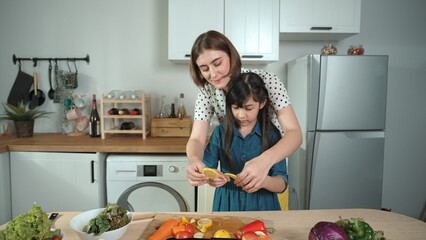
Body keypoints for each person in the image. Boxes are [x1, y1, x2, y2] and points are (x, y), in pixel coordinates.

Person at [186, 30, 302, 193]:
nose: (213, 74)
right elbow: (197, 139)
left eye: (218, 63)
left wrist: (264, 161)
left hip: (271, 164)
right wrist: (194, 160)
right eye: (204, 69)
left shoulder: (268, 81)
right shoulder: (207, 93)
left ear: (231, 56)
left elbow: (294, 133)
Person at [203, 72, 288, 211]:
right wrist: (212, 179)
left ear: (262, 103)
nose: (241, 115)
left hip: (263, 206)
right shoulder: (220, 132)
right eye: (236, 108)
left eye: (249, 108)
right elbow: (207, 169)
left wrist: (263, 181)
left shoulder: (272, 135)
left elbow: (282, 184)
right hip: (227, 205)